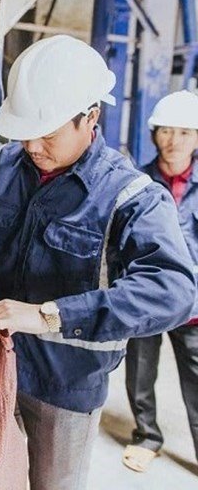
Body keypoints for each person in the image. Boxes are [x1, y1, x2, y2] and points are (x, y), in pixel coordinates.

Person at [0, 35, 195, 490]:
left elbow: (173, 292)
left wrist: (49, 315)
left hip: (66, 385)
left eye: (47, 133)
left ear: (91, 117)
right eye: (25, 131)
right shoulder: (6, 165)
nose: (32, 145)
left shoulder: (130, 196)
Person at [121, 90, 198, 472]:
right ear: (154, 134)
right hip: (147, 299)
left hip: (194, 304)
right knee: (140, 371)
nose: (174, 141)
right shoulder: (138, 182)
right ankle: (147, 436)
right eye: (166, 130)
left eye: (184, 132)